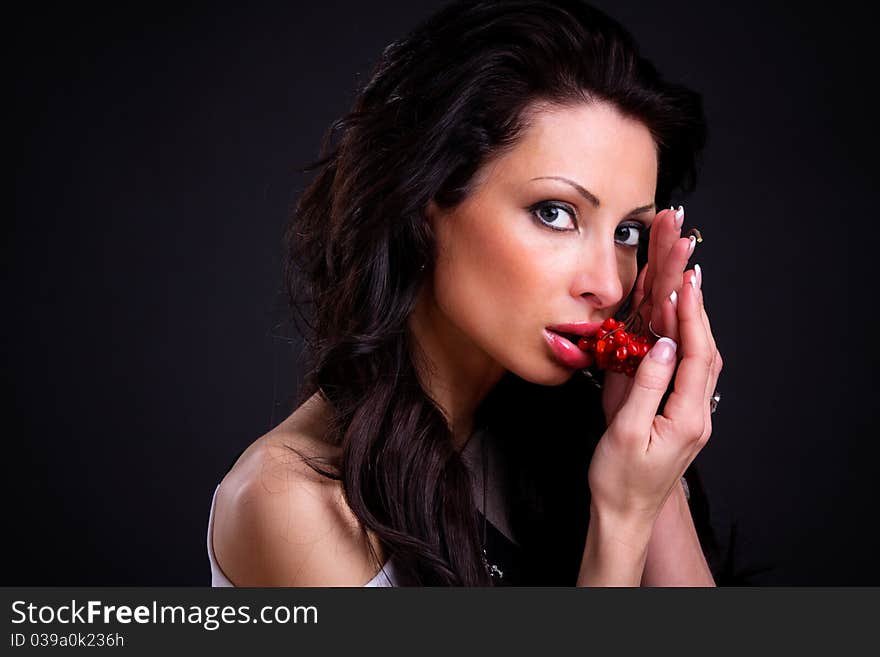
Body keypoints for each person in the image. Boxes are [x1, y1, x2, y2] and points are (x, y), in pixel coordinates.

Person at [206, 0, 723, 587]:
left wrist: (651, 449)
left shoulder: (556, 437)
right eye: (555, 213)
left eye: (627, 233)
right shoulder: (293, 504)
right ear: (423, 207)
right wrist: (624, 519)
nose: (607, 285)